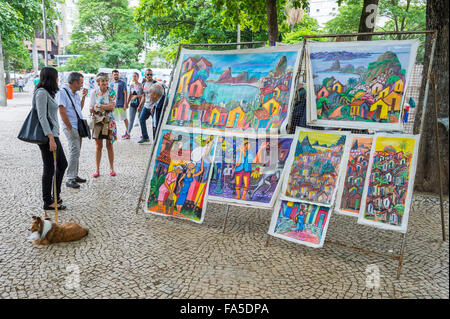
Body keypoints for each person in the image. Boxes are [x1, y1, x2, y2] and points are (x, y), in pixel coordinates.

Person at [34, 67, 68, 210]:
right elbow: (42, 117)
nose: (58, 79)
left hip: (53, 134)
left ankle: (56, 195)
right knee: (49, 169)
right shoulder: (41, 93)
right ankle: (48, 202)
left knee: (62, 165)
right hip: (48, 136)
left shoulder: (48, 93)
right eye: (56, 76)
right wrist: (51, 138)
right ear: (50, 78)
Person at [57, 72, 88, 189]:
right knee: (74, 150)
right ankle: (70, 178)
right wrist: (69, 126)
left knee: (77, 151)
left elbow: (79, 108)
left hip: (77, 126)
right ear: (74, 82)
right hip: (70, 126)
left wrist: (83, 97)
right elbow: (61, 109)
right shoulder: (62, 92)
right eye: (81, 83)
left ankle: (74, 175)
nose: (81, 85)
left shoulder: (75, 94)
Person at [90, 72, 117, 177]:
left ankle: (112, 168)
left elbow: (112, 107)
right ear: (98, 82)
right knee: (98, 146)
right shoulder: (94, 92)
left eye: (106, 81)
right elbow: (91, 108)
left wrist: (100, 105)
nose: (105, 83)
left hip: (110, 121)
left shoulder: (112, 92)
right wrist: (106, 106)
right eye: (102, 81)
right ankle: (97, 169)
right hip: (98, 121)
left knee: (109, 145)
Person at [123, 72, 143, 139]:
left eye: (135, 76)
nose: (134, 78)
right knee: (131, 119)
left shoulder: (141, 85)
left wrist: (137, 96)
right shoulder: (131, 85)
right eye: (133, 76)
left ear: (138, 77)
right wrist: (127, 103)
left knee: (141, 119)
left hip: (140, 104)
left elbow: (144, 95)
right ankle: (128, 133)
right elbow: (130, 95)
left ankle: (143, 134)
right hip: (132, 104)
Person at [109, 70, 128, 137]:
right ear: (112, 75)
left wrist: (125, 103)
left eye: (117, 74)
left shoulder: (123, 83)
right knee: (113, 119)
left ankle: (128, 132)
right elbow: (110, 94)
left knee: (124, 118)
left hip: (121, 104)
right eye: (115, 75)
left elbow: (125, 93)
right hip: (114, 105)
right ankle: (114, 134)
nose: (116, 76)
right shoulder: (111, 84)